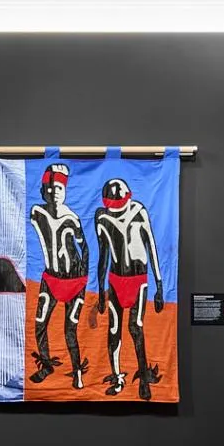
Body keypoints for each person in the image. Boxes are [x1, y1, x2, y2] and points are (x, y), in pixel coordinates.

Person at [92, 178, 167, 400]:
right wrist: (100, 290)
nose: (117, 211)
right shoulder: (102, 217)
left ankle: (144, 377)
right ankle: (118, 377)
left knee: (136, 328)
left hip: (138, 280)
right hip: (115, 280)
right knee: (114, 330)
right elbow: (103, 255)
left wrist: (159, 285)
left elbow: (151, 246)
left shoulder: (138, 211)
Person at [28, 163, 91, 389]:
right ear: (44, 190)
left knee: (69, 330)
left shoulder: (72, 219)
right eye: (51, 188)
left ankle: (76, 372)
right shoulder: (37, 212)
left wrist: (84, 278)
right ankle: (46, 365)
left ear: (65, 192)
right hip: (51, 278)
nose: (55, 192)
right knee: (39, 323)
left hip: (75, 282)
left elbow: (84, 249)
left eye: (60, 188)